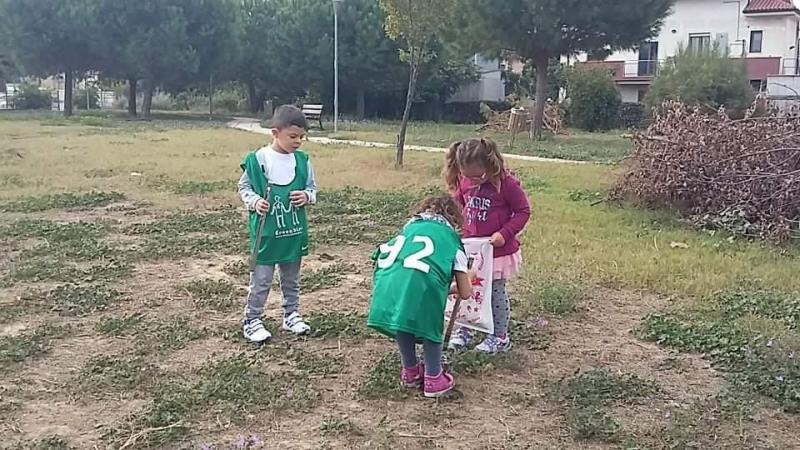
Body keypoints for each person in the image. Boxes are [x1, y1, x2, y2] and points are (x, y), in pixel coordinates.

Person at [367, 195, 474, 398]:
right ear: (455, 220)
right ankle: (434, 378)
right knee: (429, 323)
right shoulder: (451, 242)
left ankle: (410, 371)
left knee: (403, 319)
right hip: (421, 288)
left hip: (387, 284)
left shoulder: (409, 230)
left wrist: (443, 288)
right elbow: (466, 292)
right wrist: (471, 275)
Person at [237, 105, 318, 343]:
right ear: (275, 132)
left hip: (292, 233)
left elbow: (312, 189)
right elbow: (244, 187)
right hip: (266, 236)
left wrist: (306, 196)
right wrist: (255, 202)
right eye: (292, 136)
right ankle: (252, 321)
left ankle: (291, 315)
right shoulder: (259, 159)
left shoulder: (303, 161)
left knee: (291, 279)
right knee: (261, 281)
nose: (298, 142)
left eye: (302, 137)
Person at [444, 138, 531, 354]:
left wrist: (505, 233)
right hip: (471, 249)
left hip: (497, 251)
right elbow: (459, 203)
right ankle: (467, 328)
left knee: (494, 291)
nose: (473, 181)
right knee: (466, 290)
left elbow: (523, 211)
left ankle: (499, 336)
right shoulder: (465, 181)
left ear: (490, 165)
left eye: (478, 176)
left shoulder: (506, 184)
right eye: (468, 176)